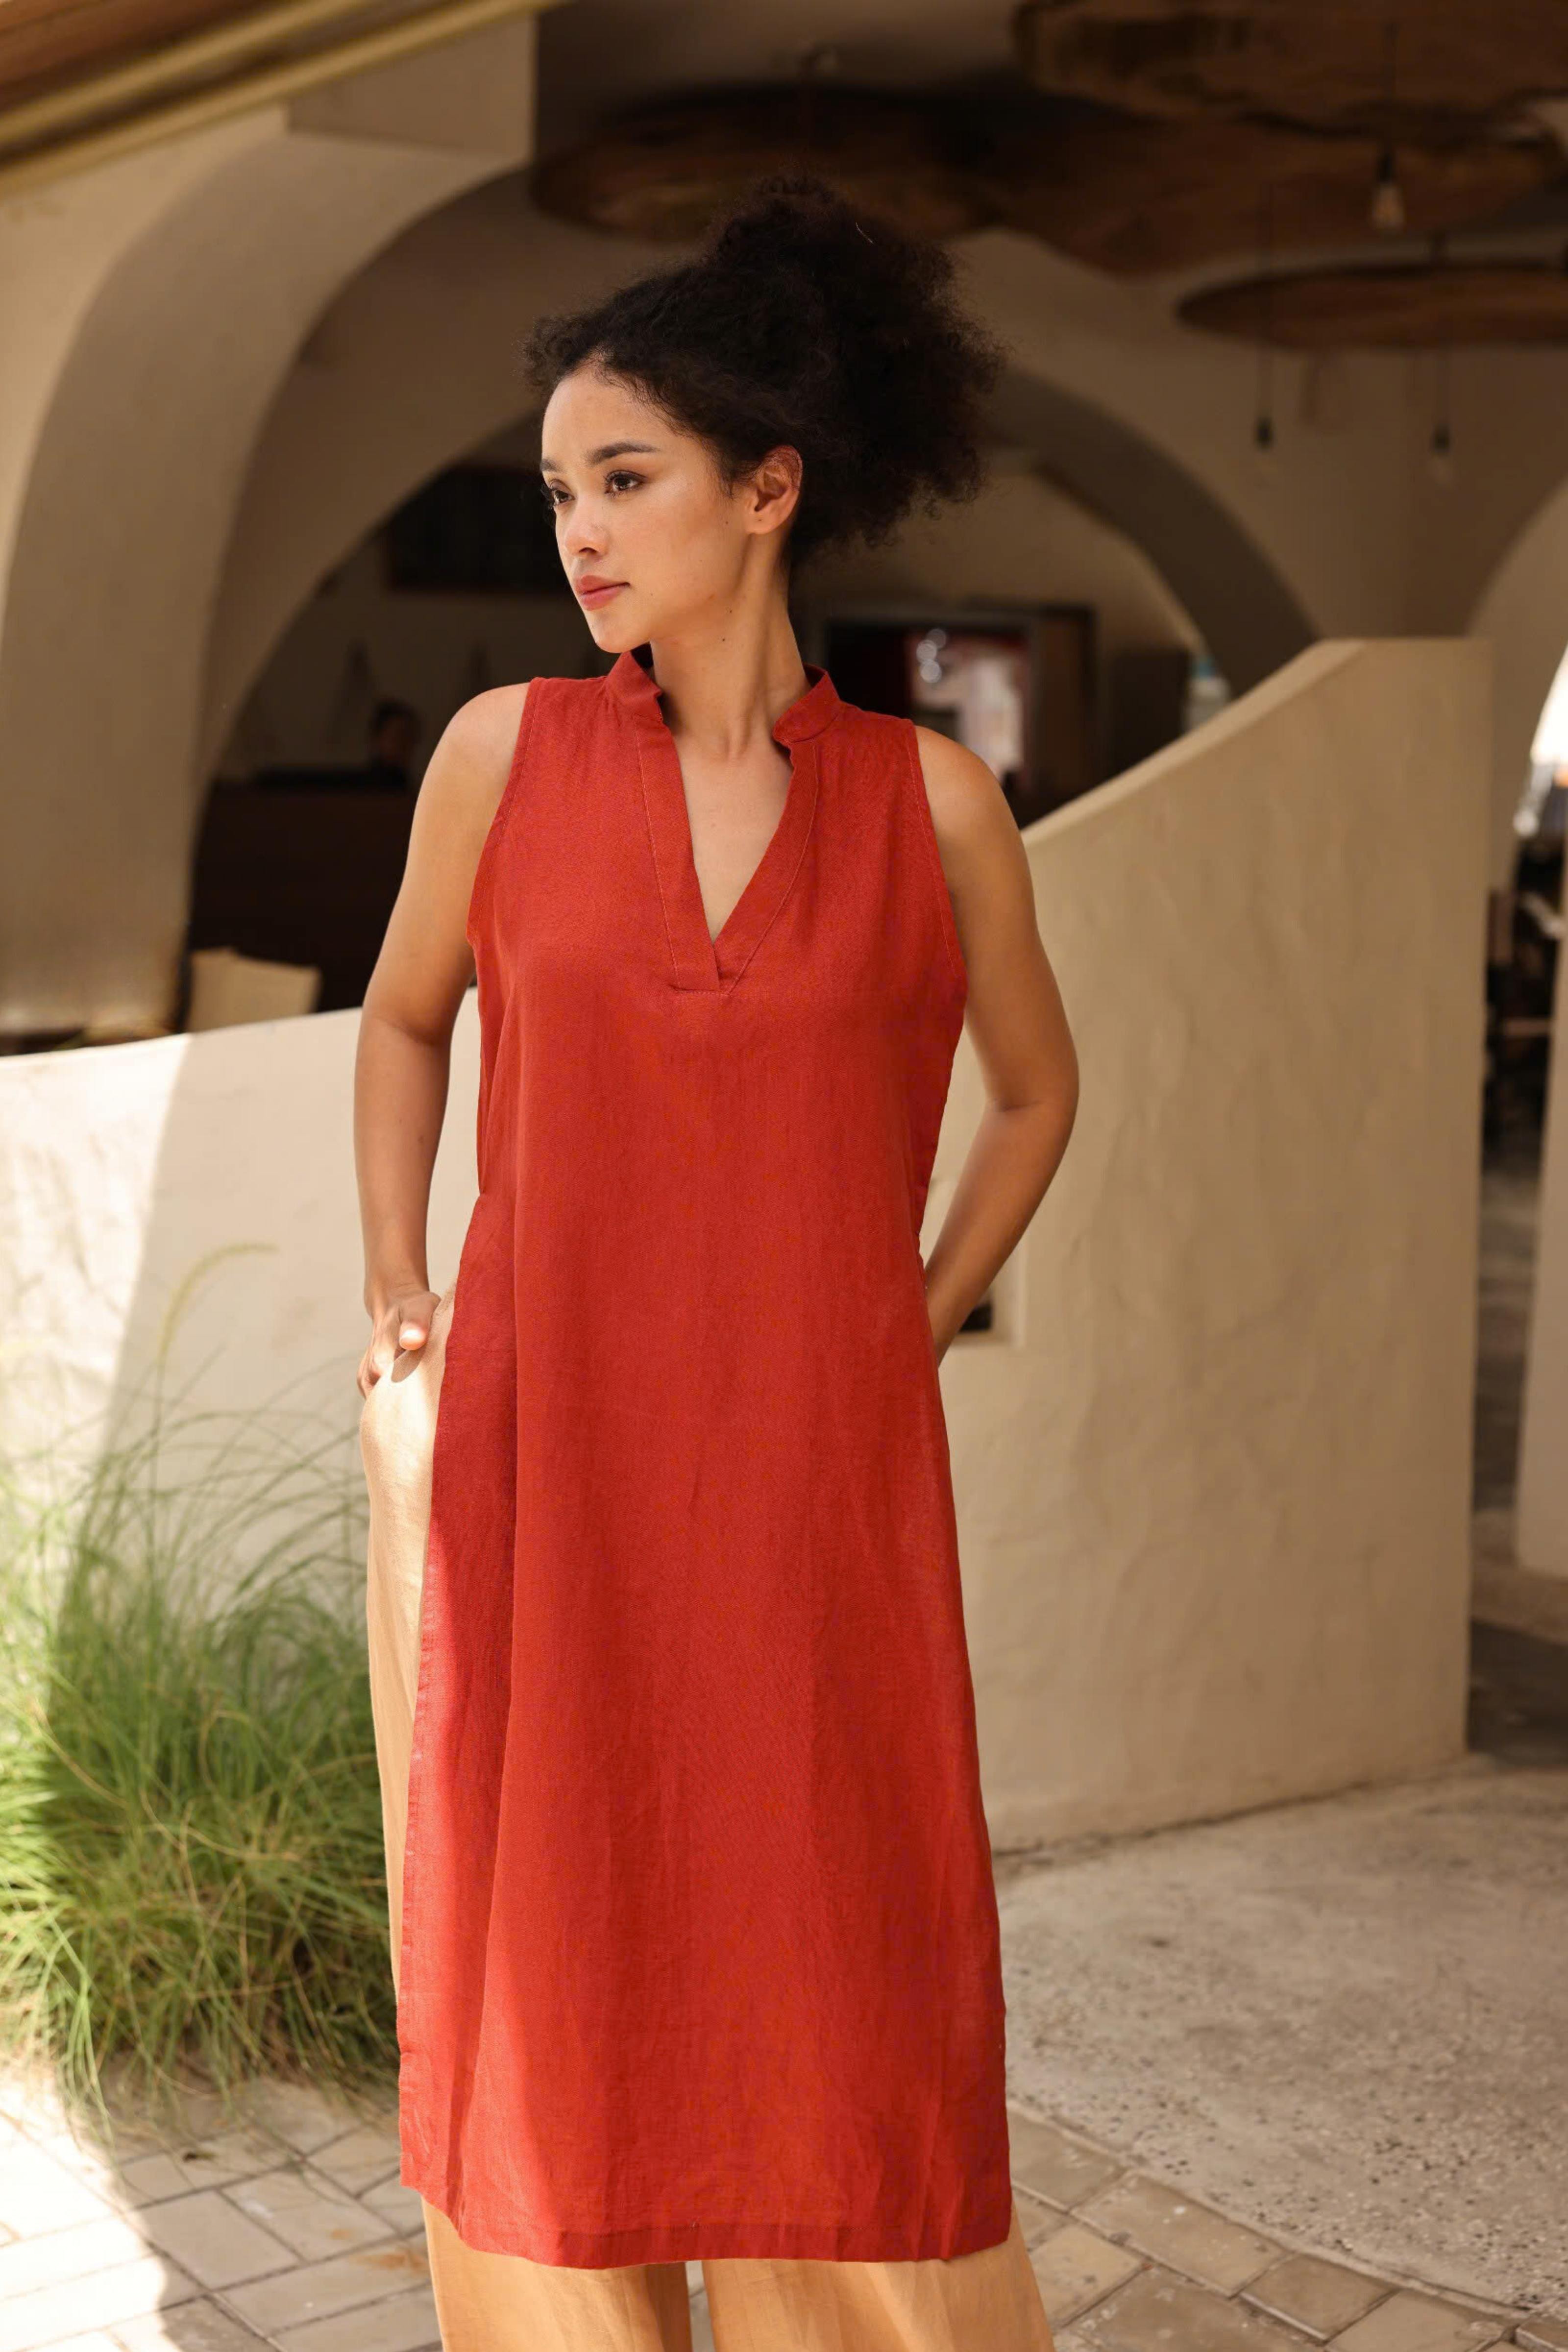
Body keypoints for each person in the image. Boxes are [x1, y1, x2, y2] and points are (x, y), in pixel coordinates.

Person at [353, 172, 1079, 2352]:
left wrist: (915, 1308)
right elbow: (402, 1017)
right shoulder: (500, 756)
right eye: (559, 484)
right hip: (539, 1457)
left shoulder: (933, 805)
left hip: (804, 1491)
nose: (575, 526)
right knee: (556, 1951)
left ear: (767, 489)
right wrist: (398, 1286)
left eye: (624, 477)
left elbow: (1037, 1095)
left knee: (821, 1949)